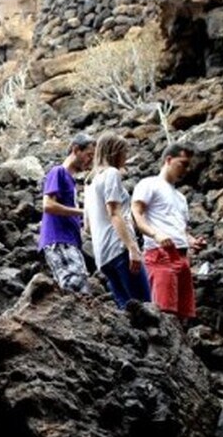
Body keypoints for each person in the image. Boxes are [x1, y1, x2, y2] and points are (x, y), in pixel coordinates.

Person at [132, 143, 207, 323]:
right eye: (182, 163)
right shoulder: (150, 184)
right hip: (160, 253)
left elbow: (180, 228)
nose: (186, 170)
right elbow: (136, 213)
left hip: (181, 256)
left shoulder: (180, 197)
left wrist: (191, 241)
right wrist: (155, 234)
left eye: (188, 165)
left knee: (182, 314)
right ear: (168, 160)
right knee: (163, 312)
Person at [84, 132, 149, 308]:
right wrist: (132, 247)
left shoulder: (90, 183)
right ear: (115, 153)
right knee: (145, 307)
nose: (126, 158)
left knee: (125, 309)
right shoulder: (111, 173)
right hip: (119, 248)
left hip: (103, 256)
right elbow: (114, 213)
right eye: (124, 153)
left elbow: (88, 227)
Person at [38, 134, 93, 293]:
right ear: (76, 150)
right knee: (73, 283)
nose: (90, 160)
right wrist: (85, 212)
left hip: (69, 239)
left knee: (79, 282)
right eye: (88, 155)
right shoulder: (58, 172)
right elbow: (48, 205)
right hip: (58, 238)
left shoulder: (71, 180)